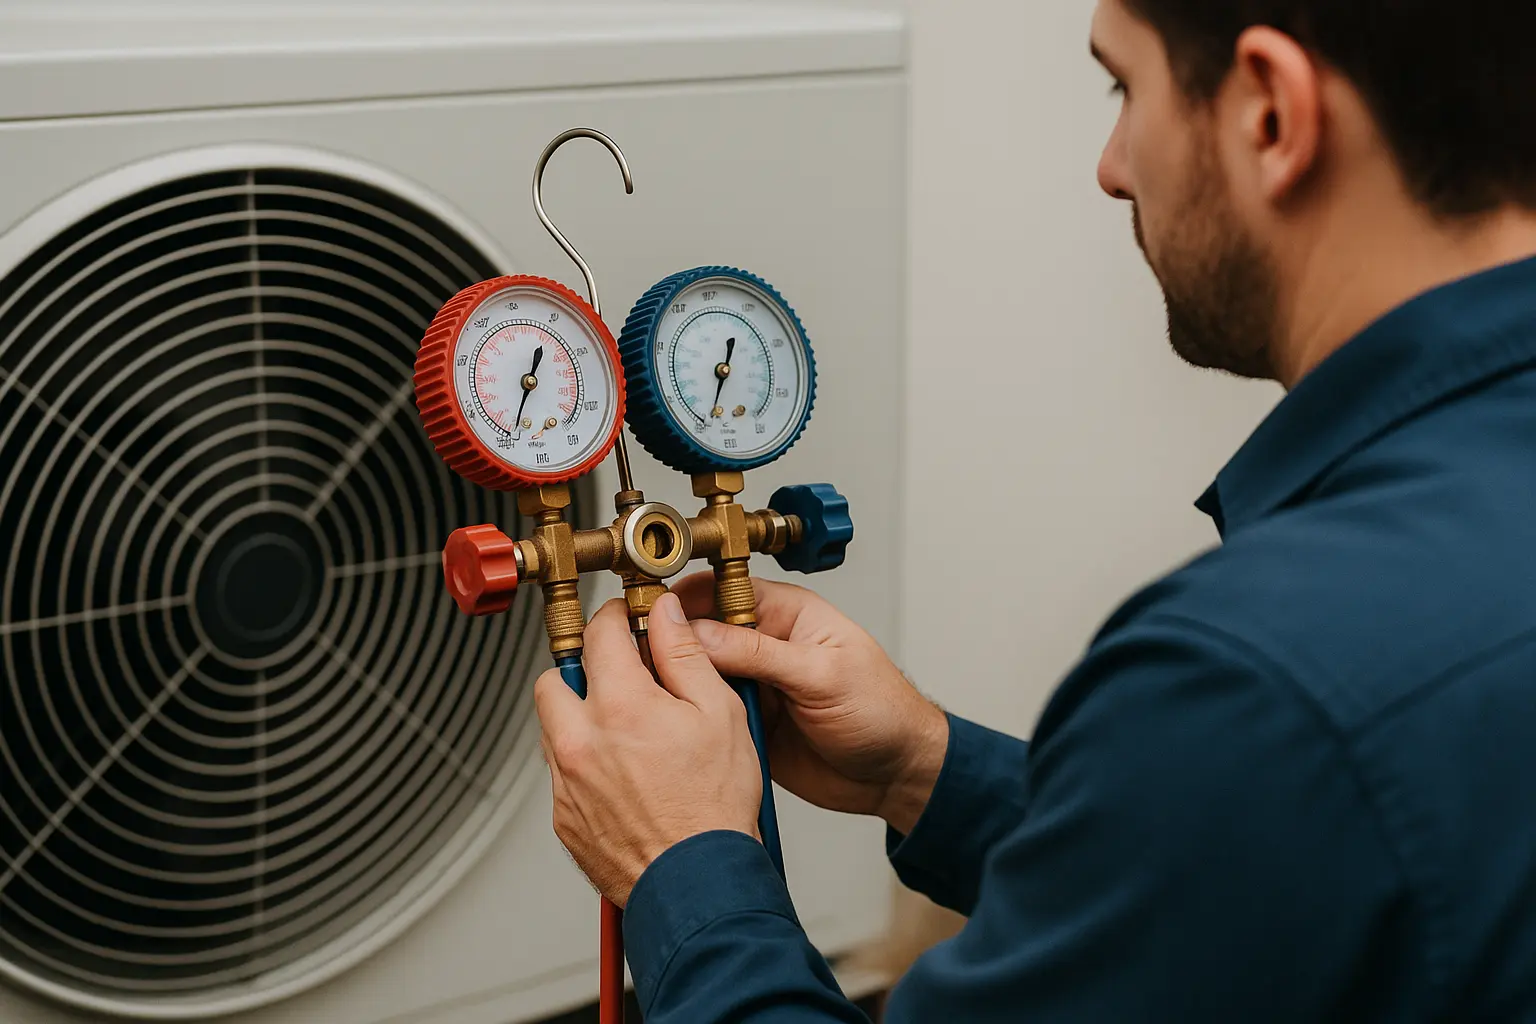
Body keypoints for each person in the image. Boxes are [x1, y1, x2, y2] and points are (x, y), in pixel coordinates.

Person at [533, 0, 1536, 1018]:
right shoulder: (1305, 696)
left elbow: (1284, 766)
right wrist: (925, 770)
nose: (1112, 167)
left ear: (1271, 114)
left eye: (1125, 86)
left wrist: (683, 865)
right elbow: (1273, 870)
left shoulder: (1254, 679)